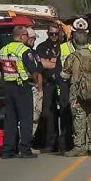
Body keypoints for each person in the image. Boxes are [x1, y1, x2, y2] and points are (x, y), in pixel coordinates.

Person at [60, 17, 91, 156]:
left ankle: (80, 146)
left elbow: (64, 76)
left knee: (79, 117)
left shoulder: (72, 57)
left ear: (74, 39)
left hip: (77, 91)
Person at [0, 25, 41, 158]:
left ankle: (8, 150)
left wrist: (5, 77)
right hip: (22, 87)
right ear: (21, 36)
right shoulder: (25, 50)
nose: (27, 37)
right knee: (26, 119)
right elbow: (34, 71)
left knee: (10, 120)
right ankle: (25, 150)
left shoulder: (5, 49)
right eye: (26, 35)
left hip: (8, 87)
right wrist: (36, 84)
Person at [34, 23, 63, 152]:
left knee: (65, 112)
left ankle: (65, 143)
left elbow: (66, 63)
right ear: (47, 34)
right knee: (48, 114)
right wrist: (55, 62)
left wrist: (51, 62)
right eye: (51, 34)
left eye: (56, 33)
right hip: (48, 84)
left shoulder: (65, 46)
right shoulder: (42, 47)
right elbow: (41, 64)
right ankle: (51, 143)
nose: (54, 36)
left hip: (63, 84)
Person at [26, 28, 44, 139]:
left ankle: (29, 141)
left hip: (37, 90)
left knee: (36, 116)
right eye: (31, 38)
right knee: (28, 117)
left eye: (34, 38)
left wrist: (40, 89)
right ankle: (24, 143)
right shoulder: (23, 52)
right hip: (27, 88)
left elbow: (39, 70)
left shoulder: (34, 52)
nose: (33, 40)